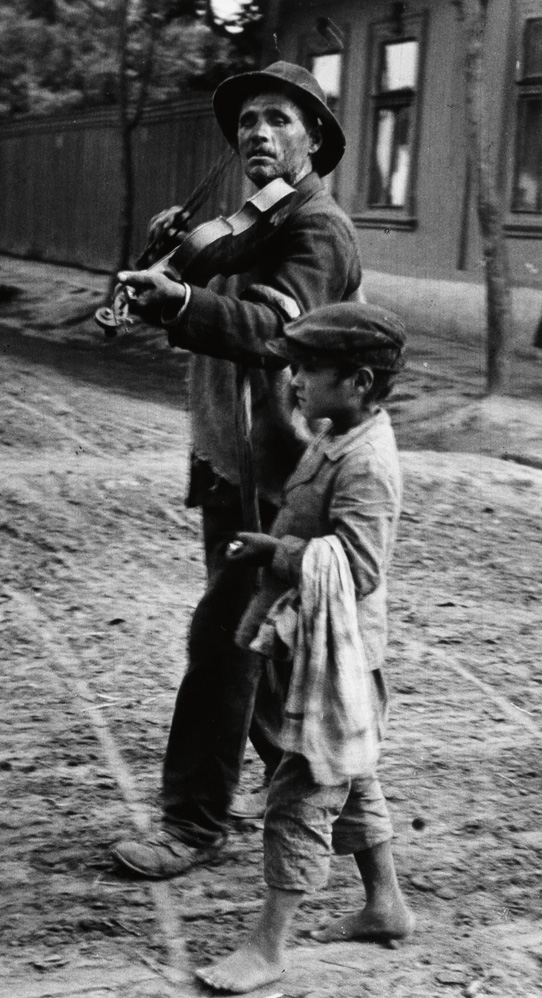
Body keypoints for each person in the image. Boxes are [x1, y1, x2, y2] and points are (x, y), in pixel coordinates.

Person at [111, 61, 363, 879]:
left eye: (279, 121)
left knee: (224, 640)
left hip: (284, 478)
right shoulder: (244, 225)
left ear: (315, 139)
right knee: (267, 654)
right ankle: (336, 811)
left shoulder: (317, 232)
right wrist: (167, 263)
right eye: (248, 121)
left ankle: (192, 823)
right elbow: (199, 294)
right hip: (232, 463)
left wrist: (181, 301)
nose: (257, 132)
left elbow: (270, 330)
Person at [196, 301, 413, 993]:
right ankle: (385, 904)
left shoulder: (368, 464)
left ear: (358, 382)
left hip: (341, 652)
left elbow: (360, 566)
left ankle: (268, 946)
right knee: (350, 771)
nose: (296, 379)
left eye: (311, 369)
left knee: (301, 790)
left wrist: (276, 550)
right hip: (310, 639)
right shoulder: (336, 432)